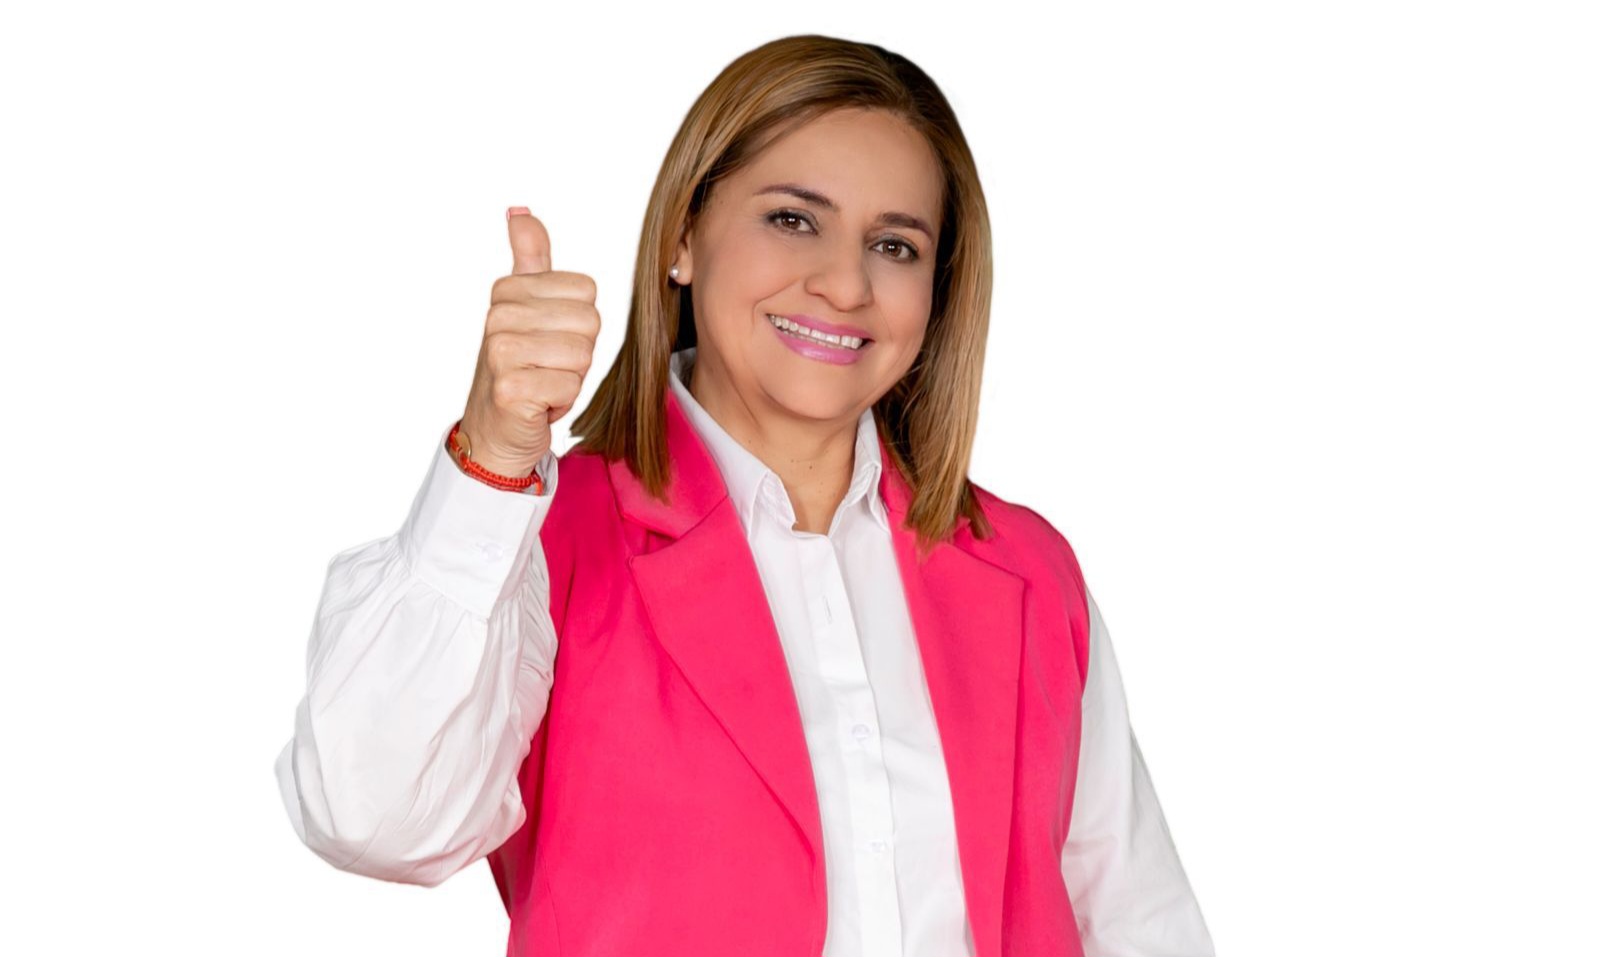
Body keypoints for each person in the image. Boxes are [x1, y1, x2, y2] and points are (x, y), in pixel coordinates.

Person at [274, 33, 1214, 957]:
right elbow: (373, 817)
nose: (844, 283)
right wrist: (491, 458)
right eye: (794, 219)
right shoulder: (544, 541)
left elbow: (1136, 920)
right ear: (683, 236)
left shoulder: (1026, 571)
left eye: (894, 245)